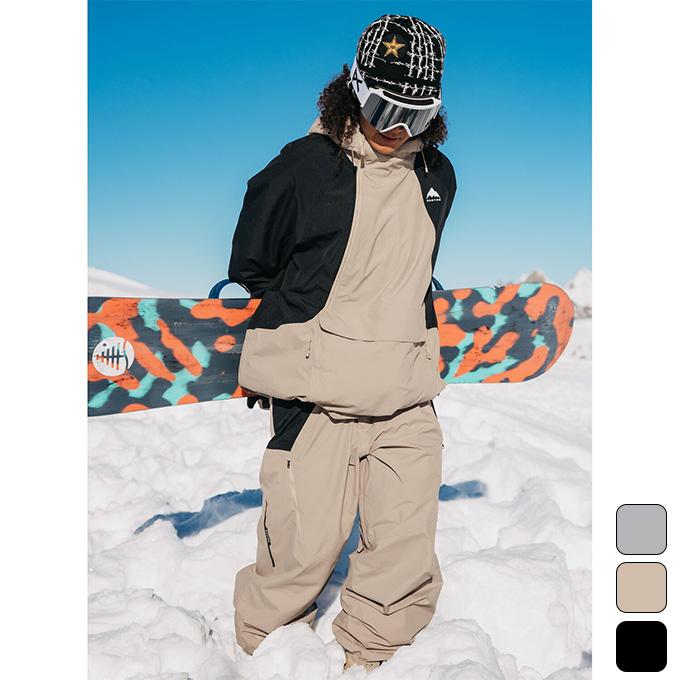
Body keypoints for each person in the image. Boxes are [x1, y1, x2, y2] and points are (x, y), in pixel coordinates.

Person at [228, 14, 456, 672]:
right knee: (302, 548)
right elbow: (253, 263)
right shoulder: (302, 167)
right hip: (315, 395)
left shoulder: (437, 175)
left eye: (416, 116)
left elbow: (410, 269)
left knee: (404, 548)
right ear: (353, 89)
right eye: (384, 109)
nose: (397, 129)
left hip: (406, 394)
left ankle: (379, 655)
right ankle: (269, 654)